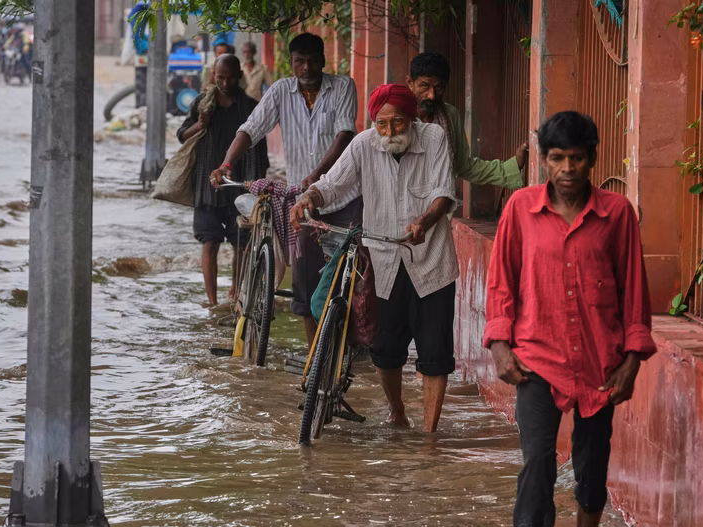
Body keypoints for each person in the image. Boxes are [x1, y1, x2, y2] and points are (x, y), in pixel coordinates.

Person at [482, 111, 656, 527]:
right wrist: (500, 344)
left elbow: (633, 290)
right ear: (543, 159)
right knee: (538, 460)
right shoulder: (520, 208)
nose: (567, 169)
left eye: (576, 158)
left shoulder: (617, 215)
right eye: (557, 158)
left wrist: (632, 360)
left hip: (601, 362)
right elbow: (501, 280)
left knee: (592, 469)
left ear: (592, 159)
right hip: (537, 357)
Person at [289, 84, 459, 433]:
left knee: (435, 352)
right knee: (385, 348)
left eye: (397, 123)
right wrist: (308, 198)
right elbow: (333, 184)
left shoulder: (435, 138)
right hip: (382, 260)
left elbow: (444, 191)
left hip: (431, 259)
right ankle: (397, 412)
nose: (390, 132)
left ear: (411, 118)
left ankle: (429, 435)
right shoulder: (364, 144)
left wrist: (424, 221)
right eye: (382, 124)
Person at [211, 32, 358, 344]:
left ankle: (347, 347)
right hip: (302, 203)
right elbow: (251, 129)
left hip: (344, 197)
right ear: (291, 63)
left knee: (348, 278)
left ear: (323, 60)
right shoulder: (280, 91)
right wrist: (226, 164)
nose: (306, 67)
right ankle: (314, 354)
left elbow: (345, 134)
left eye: (312, 60)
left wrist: (317, 174)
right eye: (299, 61)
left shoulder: (343, 86)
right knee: (304, 282)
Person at [177, 54, 269, 307]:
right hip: (208, 187)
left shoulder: (250, 106)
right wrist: (199, 124)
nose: (225, 82)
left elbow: (260, 149)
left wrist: (259, 184)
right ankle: (211, 302)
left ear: (240, 75)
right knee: (209, 242)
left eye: (230, 77)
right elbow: (182, 135)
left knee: (240, 245)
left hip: (240, 185)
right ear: (213, 76)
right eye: (220, 77)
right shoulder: (202, 104)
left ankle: (235, 296)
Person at [406, 52, 529, 189]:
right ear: (410, 83)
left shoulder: (450, 115)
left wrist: (511, 166)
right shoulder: (394, 116)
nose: (432, 95)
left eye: (438, 87)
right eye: (424, 86)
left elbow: (463, 166)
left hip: (439, 204)